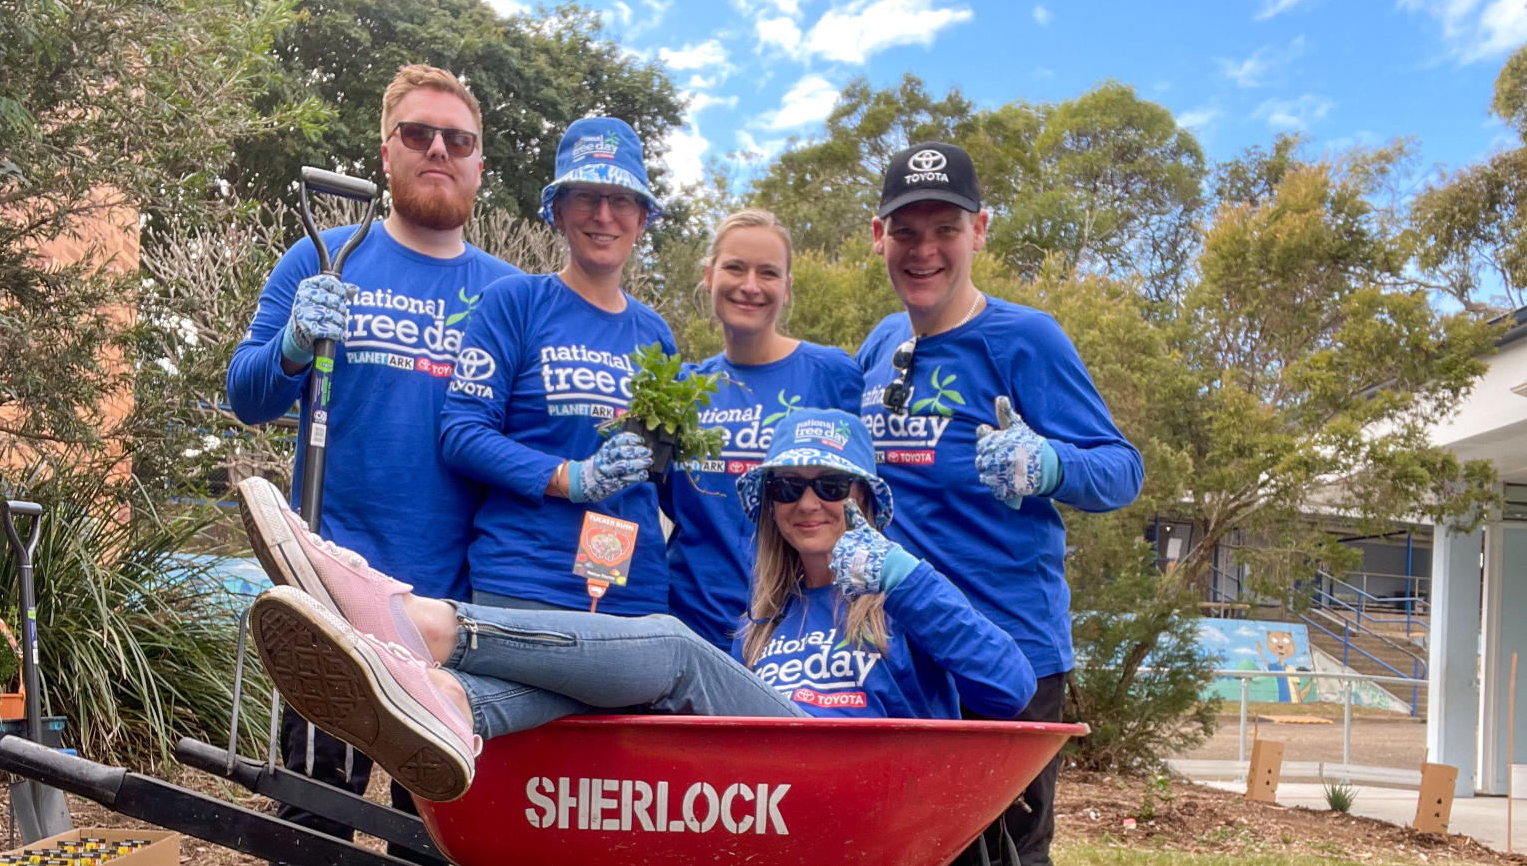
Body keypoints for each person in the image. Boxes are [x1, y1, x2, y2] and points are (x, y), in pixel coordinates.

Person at [239, 408, 1035, 802]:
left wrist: (902, 576)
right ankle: (453, 702)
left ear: (863, 497)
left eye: (830, 485)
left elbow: (1010, 686)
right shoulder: (761, 622)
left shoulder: (905, 598)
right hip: (753, 798)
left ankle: (421, 624)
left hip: (842, 787)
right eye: (788, 488)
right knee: (617, 680)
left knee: (675, 648)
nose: (808, 503)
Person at [225, 64, 519, 849]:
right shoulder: (323, 259)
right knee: (314, 824)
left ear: (479, 164)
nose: (438, 151)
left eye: (458, 140)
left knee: (435, 837)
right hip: (333, 599)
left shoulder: (513, 296)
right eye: (418, 134)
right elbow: (246, 393)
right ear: (386, 151)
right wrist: (291, 345)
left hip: (456, 614)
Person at [854, 142, 1144, 866]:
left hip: (1010, 651)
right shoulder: (880, 344)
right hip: (905, 651)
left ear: (979, 230)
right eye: (906, 231)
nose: (924, 250)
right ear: (877, 236)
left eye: (944, 230)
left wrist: (1048, 465)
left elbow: (1121, 469)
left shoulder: (1025, 339)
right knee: (906, 847)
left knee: (1005, 854)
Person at [437, 117, 677, 614]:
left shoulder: (655, 334)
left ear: (643, 218)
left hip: (634, 594)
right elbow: (461, 434)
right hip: (525, 582)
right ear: (559, 213)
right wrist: (571, 477)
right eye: (586, 196)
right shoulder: (515, 303)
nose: (604, 214)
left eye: (621, 199)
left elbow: (666, 471)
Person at [663, 209, 862, 650]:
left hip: (798, 630)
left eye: (768, 273)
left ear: (787, 288)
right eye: (735, 267)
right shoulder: (682, 389)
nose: (749, 285)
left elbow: (861, 501)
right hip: (692, 626)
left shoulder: (830, 374)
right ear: (709, 275)